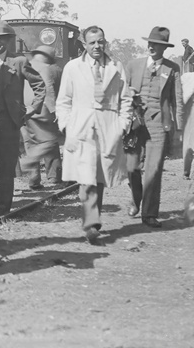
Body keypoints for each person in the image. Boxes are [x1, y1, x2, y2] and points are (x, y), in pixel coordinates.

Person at [56, 26, 132, 244]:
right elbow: (63, 101)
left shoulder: (116, 67)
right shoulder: (73, 67)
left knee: (100, 176)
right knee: (86, 178)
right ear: (84, 45)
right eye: (92, 43)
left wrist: (122, 125)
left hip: (108, 127)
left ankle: (94, 219)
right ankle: (91, 224)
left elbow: (126, 99)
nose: (97, 46)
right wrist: (67, 126)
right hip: (82, 128)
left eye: (100, 42)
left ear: (105, 42)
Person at [0, 21, 46, 216]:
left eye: (1, 39)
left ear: (8, 41)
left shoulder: (19, 62)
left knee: (6, 168)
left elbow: (39, 85)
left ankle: (3, 208)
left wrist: (32, 108)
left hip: (10, 123)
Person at [124, 27, 183, 228]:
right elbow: (122, 95)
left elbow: (178, 100)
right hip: (135, 123)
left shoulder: (172, 68)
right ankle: (136, 198)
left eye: (156, 44)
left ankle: (149, 214)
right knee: (132, 167)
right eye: (149, 43)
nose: (151, 46)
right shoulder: (133, 65)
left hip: (159, 124)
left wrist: (179, 128)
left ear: (164, 48)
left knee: (154, 169)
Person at [21, 45, 63, 190]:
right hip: (41, 109)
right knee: (50, 142)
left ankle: (34, 180)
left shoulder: (26, 65)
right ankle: (53, 177)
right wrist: (54, 110)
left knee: (30, 143)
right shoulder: (49, 68)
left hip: (25, 110)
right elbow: (48, 89)